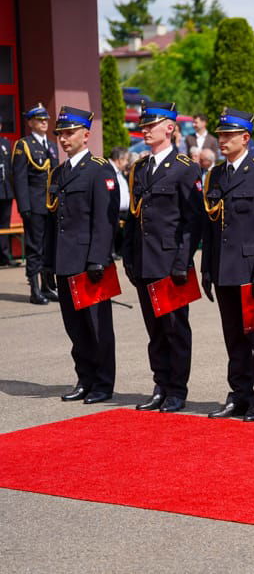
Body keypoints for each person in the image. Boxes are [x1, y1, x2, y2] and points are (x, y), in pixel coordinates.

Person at [202, 108, 254, 422]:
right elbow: (209, 226)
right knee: (233, 336)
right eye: (220, 135)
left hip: (252, 269)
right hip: (224, 268)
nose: (222, 140)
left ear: (245, 138)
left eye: (229, 135)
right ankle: (239, 394)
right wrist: (207, 268)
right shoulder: (216, 175)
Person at [123, 102, 203, 413]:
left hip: (171, 263)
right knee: (154, 330)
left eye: (151, 124)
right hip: (144, 261)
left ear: (169, 128)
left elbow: (192, 220)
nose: (145, 129)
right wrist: (129, 256)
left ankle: (177, 389)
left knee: (174, 329)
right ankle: (160, 384)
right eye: (143, 124)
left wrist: (182, 261)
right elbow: (133, 216)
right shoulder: (139, 169)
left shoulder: (185, 168)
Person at [45, 106, 119, 404]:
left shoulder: (99, 169)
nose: (63, 139)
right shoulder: (60, 172)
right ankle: (84, 378)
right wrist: (49, 261)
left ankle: (103, 383)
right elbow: (54, 221)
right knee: (75, 327)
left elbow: (105, 218)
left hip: (89, 262)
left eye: (69, 132)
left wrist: (97, 259)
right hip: (65, 260)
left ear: (86, 135)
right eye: (60, 133)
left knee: (97, 327)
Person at [12, 103, 60, 304]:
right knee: (35, 247)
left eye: (46, 119)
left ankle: (47, 286)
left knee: (50, 246)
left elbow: (56, 175)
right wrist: (24, 207)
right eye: (40, 120)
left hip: (50, 204)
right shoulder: (24, 145)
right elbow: (19, 178)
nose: (44, 123)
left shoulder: (50, 144)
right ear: (30, 123)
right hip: (34, 204)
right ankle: (34, 290)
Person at [0, 133, 19, 267]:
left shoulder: (6, 143)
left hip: (5, 190)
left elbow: (10, 167)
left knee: (4, 224)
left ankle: (5, 256)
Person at [108, 146, 130, 260]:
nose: (127, 163)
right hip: (113, 210)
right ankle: (111, 252)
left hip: (122, 212)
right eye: (126, 160)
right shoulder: (108, 170)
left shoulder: (119, 172)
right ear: (119, 159)